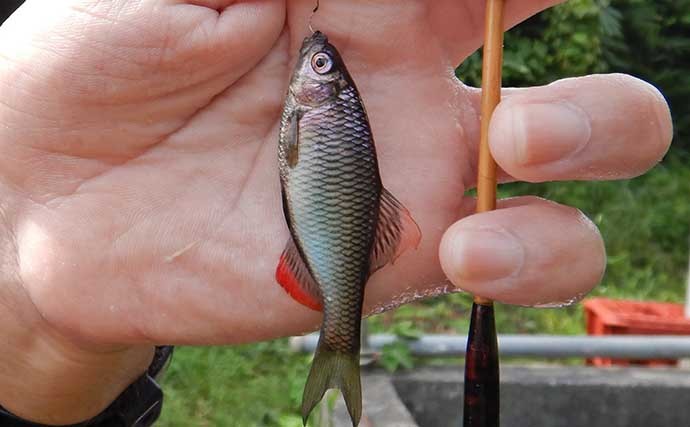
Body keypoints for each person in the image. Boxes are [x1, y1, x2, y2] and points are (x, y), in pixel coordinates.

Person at [0, 0, 673, 425]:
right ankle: (339, 347)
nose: (311, 64)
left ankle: (338, 342)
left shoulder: (312, 110)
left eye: (319, 65)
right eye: (323, 65)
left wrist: (37, 308)